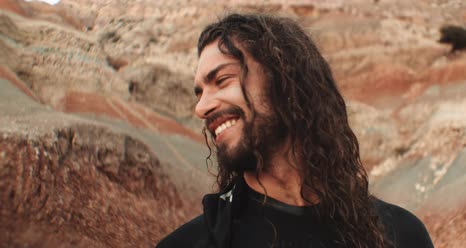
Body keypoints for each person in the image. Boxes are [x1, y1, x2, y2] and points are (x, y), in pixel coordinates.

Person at [156, 13, 434, 248]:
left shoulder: (399, 234)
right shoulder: (193, 242)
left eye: (222, 80)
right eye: (199, 93)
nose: (201, 108)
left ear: (284, 82)